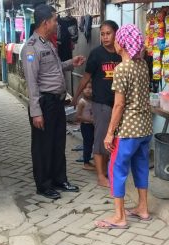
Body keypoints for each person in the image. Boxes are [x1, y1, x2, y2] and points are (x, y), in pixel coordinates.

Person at [21, 4, 86, 200]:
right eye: (55, 20)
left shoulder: (49, 43)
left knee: (58, 143)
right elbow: (32, 82)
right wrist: (36, 112)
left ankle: (60, 179)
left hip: (57, 103)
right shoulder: (31, 48)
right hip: (44, 104)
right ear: (45, 22)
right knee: (43, 146)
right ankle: (44, 184)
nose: (57, 23)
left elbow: (53, 69)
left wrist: (70, 63)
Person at [95, 24, 153, 229]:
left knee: (115, 168)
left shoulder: (122, 69)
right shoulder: (142, 65)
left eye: (117, 38)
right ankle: (143, 208)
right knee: (141, 166)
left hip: (128, 130)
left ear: (122, 43)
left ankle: (119, 217)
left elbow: (119, 105)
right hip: (145, 127)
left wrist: (110, 133)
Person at [71, 20, 122, 188]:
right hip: (101, 104)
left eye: (108, 33)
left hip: (118, 104)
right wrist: (76, 96)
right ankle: (101, 176)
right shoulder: (96, 54)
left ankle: (107, 171)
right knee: (101, 140)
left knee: (112, 141)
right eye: (102, 34)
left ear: (116, 33)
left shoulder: (121, 54)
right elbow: (86, 77)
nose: (105, 37)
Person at [75, 82, 95, 171]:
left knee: (91, 144)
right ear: (82, 90)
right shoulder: (82, 102)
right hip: (86, 126)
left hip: (93, 126)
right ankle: (86, 163)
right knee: (87, 144)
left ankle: (88, 161)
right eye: (86, 88)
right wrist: (90, 120)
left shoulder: (93, 101)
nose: (88, 90)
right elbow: (78, 117)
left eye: (90, 87)